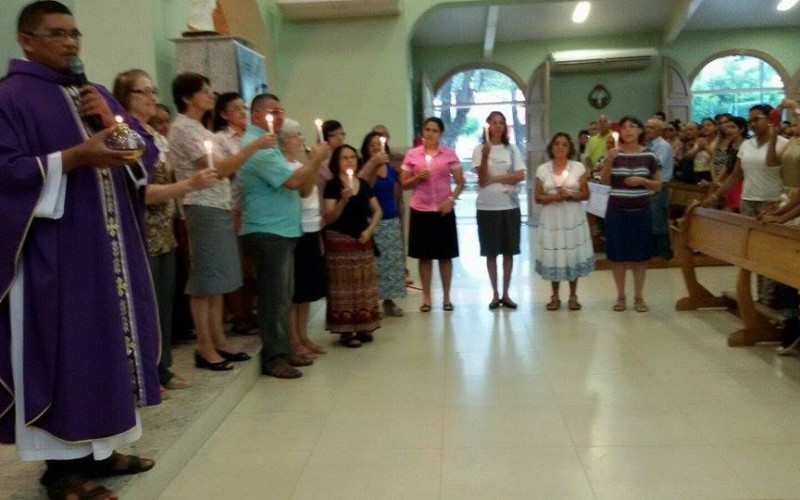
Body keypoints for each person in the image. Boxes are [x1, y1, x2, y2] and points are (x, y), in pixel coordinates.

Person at [0, 2, 161, 498]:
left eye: (75, 34)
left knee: (110, 349)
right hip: (57, 255)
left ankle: (105, 450)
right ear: (26, 40)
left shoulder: (96, 94)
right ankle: (62, 470)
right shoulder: (12, 97)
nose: (70, 43)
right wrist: (75, 158)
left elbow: (143, 156)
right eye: (57, 34)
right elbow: (7, 173)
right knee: (67, 352)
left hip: (110, 250)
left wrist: (112, 120)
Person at [113, 68, 220, 396]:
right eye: (142, 92)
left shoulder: (151, 134)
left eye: (153, 90)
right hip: (142, 230)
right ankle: (145, 374)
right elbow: (139, 192)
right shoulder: (126, 135)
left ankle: (162, 367)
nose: (151, 97)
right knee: (145, 307)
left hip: (165, 230)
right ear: (125, 98)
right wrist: (191, 184)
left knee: (163, 304)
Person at [168, 72, 272, 371]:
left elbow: (229, 164)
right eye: (204, 91)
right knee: (204, 282)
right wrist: (252, 148)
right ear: (188, 97)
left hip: (219, 207)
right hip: (200, 206)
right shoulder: (184, 129)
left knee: (218, 281)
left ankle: (219, 341)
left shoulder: (203, 130)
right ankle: (204, 347)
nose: (211, 95)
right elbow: (219, 170)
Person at [239, 94, 330, 378]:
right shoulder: (260, 148)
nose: (278, 116)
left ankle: (286, 350)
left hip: (282, 229)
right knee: (274, 299)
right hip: (267, 230)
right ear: (256, 116)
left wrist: (310, 163)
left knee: (283, 296)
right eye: (272, 112)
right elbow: (292, 181)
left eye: (281, 111)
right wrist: (315, 159)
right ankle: (274, 358)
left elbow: (302, 186)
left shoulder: (270, 144)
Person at [704, 104, 787, 306]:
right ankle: (759, 298)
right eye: (749, 120)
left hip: (772, 201)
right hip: (748, 200)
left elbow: (781, 170)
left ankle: (771, 300)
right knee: (752, 253)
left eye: (756, 119)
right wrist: (716, 194)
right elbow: (736, 175)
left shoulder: (782, 143)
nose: (752, 124)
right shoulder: (747, 145)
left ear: (769, 119)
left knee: (769, 253)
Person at [401, 117, 465, 312]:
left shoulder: (449, 154)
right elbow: (404, 184)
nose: (430, 133)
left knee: (445, 256)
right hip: (421, 209)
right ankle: (427, 297)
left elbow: (461, 182)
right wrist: (417, 178)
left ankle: (446, 297)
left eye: (434, 130)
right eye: (427, 129)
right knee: (424, 256)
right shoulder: (413, 155)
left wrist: (451, 199)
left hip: (443, 210)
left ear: (440, 133)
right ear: (423, 131)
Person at [599, 116, 663, 312]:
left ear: (640, 131)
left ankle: (638, 297)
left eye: (632, 126)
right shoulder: (613, 154)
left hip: (640, 210)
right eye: (624, 127)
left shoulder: (649, 156)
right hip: (616, 210)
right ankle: (620, 296)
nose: (628, 130)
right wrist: (609, 160)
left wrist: (642, 181)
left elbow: (659, 184)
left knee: (639, 257)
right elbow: (603, 181)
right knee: (617, 256)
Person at [323, 145, 383, 347]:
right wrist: (342, 201)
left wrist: (370, 230)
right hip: (340, 239)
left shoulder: (364, 184)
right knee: (344, 286)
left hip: (362, 239)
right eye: (344, 158)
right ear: (337, 163)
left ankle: (365, 324)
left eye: (352, 157)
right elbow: (329, 217)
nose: (349, 161)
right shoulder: (332, 185)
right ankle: (346, 330)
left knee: (363, 284)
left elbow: (377, 210)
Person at [280, 120, 328, 361]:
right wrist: (315, 161)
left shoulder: (300, 164)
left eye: (300, 134)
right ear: (284, 141)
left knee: (306, 290)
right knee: (295, 291)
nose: (301, 139)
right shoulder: (286, 167)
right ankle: (293, 339)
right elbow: (304, 191)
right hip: (295, 229)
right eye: (295, 136)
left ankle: (303, 335)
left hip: (310, 228)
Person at [212, 92, 258, 336]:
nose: (243, 112)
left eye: (244, 107)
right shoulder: (220, 139)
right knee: (237, 265)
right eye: (236, 108)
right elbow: (224, 171)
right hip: (231, 205)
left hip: (255, 207)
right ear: (223, 113)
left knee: (251, 266)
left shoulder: (253, 136)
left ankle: (251, 310)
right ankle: (240, 315)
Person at [533, 133, 594, 310]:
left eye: (565, 144)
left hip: (572, 216)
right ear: (551, 147)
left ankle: (573, 295)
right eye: (557, 144)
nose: (560, 147)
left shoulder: (578, 167)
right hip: (552, 219)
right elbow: (537, 197)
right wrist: (553, 197)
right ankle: (555, 295)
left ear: (570, 148)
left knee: (571, 253)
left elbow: (585, 193)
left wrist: (569, 195)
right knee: (555, 254)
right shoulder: (543, 169)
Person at [472, 111, 526, 310]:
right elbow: (482, 178)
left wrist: (496, 179)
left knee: (509, 252)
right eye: (494, 123)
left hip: (509, 206)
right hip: (487, 207)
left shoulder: (511, 149)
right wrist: (486, 156)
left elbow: (520, 175)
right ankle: (494, 293)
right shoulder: (479, 149)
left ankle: (506, 293)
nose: (498, 126)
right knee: (491, 252)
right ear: (488, 126)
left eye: (501, 123)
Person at [359, 131, 406, 317]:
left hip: (391, 218)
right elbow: (365, 187)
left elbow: (395, 191)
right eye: (372, 145)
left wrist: (397, 210)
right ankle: (372, 302)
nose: (376, 148)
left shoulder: (391, 168)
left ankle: (389, 300)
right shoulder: (365, 167)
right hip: (372, 220)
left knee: (391, 262)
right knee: (374, 263)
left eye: (379, 144)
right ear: (367, 149)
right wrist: (373, 165)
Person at [644, 118, 674, 260]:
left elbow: (656, 165)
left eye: (652, 127)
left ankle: (663, 252)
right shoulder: (648, 145)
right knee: (650, 219)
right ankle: (653, 251)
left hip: (659, 187)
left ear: (660, 131)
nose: (648, 130)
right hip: (649, 186)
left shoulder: (663, 146)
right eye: (647, 127)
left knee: (658, 219)